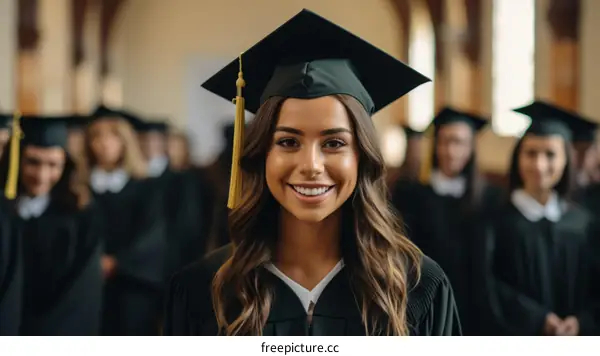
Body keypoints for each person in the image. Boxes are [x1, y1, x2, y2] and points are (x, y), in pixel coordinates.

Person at [163, 9, 461, 336]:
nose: (311, 165)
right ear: (262, 153)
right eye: (288, 141)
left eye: (333, 143)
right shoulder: (205, 290)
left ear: (362, 156)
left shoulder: (417, 287)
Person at [482, 101, 600, 336]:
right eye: (531, 153)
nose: (539, 164)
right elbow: (488, 289)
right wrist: (537, 319)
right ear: (518, 157)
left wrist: (581, 322)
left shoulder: (583, 223)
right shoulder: (494, 220)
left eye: (550, 154)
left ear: (566, 160)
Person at [391, 107, 503, 335]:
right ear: (435, 146)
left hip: (476, 308)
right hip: (425, 301)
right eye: (444, 142)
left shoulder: (490, 199)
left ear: (471, 148)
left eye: (459, 143)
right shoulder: (412, 195)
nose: (451, 151)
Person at [0, 115, 103, 335]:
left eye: (53, 164)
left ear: (66, 165)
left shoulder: (80, 215)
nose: (42, 175)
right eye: (33, 162)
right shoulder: (5, 212)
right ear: (16, 159)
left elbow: (80, 297)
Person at [84, 105, 167, 336]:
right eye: (96, 136)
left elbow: (151, 236)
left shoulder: (145, 188)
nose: (103, 143)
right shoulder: (80, 190)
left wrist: (115, 262)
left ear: (125, 141)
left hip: (132, 287)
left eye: (112, 136)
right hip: (88, 285)